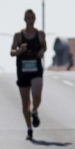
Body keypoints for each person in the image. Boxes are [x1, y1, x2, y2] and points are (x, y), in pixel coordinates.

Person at [10, 9, 46, 140]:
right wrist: (20, 50)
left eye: (32, 18)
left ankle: (35, 111)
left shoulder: (40, 34)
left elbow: (44, 47)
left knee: (37, 95)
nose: (30, 20)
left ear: (34, 19)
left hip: (36, 69)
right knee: (25, 103)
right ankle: (29, 128)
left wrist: (41, 51)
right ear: (24, 19)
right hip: (23, 71)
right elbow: (12, 52)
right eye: (28, 18)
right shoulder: (18, 35)